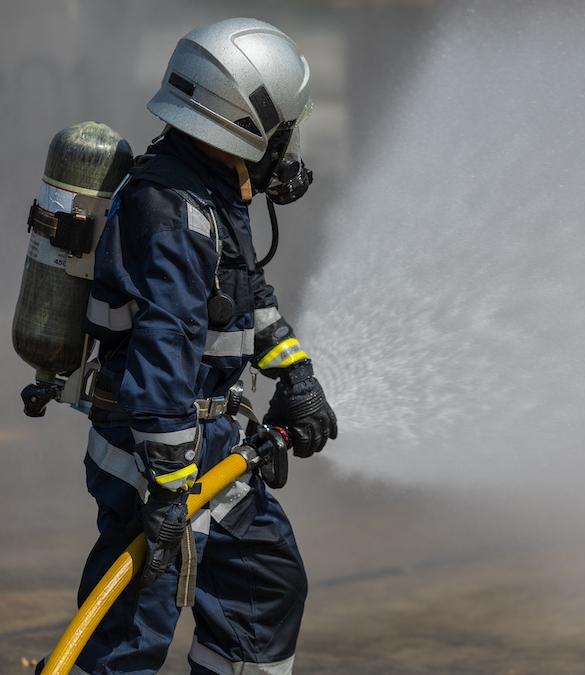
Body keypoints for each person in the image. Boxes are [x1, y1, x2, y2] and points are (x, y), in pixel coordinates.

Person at [45, 18, 337, 675]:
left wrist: (296, 375)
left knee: (263, 587)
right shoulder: (175, 213)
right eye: (283, 132)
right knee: (128, 637)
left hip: (205, 449)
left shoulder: (210, 189)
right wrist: (170, 493)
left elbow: (245, 294)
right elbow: (165, 359)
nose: (287, 149)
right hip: (154, 456)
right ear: (248, 123)